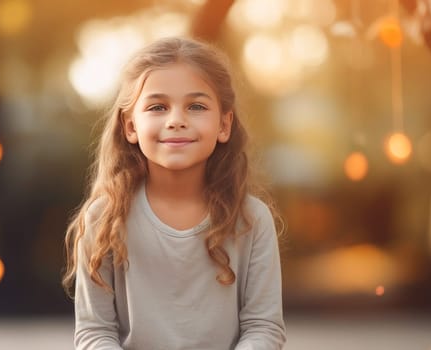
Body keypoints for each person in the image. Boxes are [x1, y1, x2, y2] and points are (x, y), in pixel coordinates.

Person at [63, 36, 286, 349]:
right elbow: (94, 333)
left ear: (224, 124)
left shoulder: (253, 220)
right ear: (130, 127)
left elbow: (263, 328)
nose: (176, 121)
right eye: (157, 107)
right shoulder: (103, 219)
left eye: (196, 106)